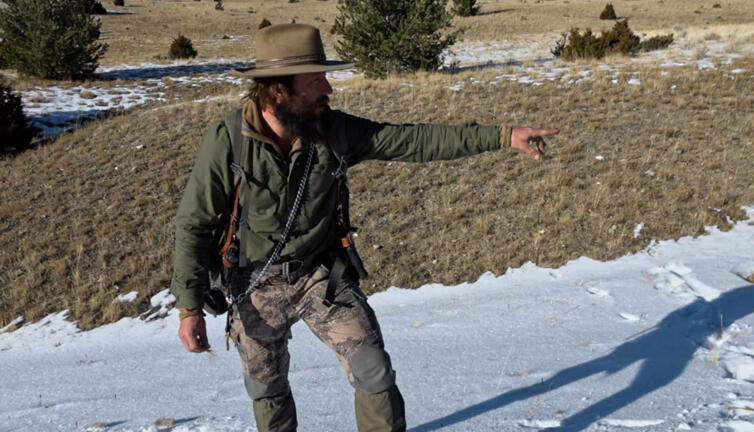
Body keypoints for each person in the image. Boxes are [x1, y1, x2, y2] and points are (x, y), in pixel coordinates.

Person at [171, 23, 558, 432]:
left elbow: (412, 141)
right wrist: (189, 308)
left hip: (319, 276)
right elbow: (194, 224)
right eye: (315, 81)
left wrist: (503, 136)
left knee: (374, 370)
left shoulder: (334, 130)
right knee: (267, 390)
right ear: (278, 91)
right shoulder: (228, 141)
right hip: (253, 282)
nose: (328, 89)